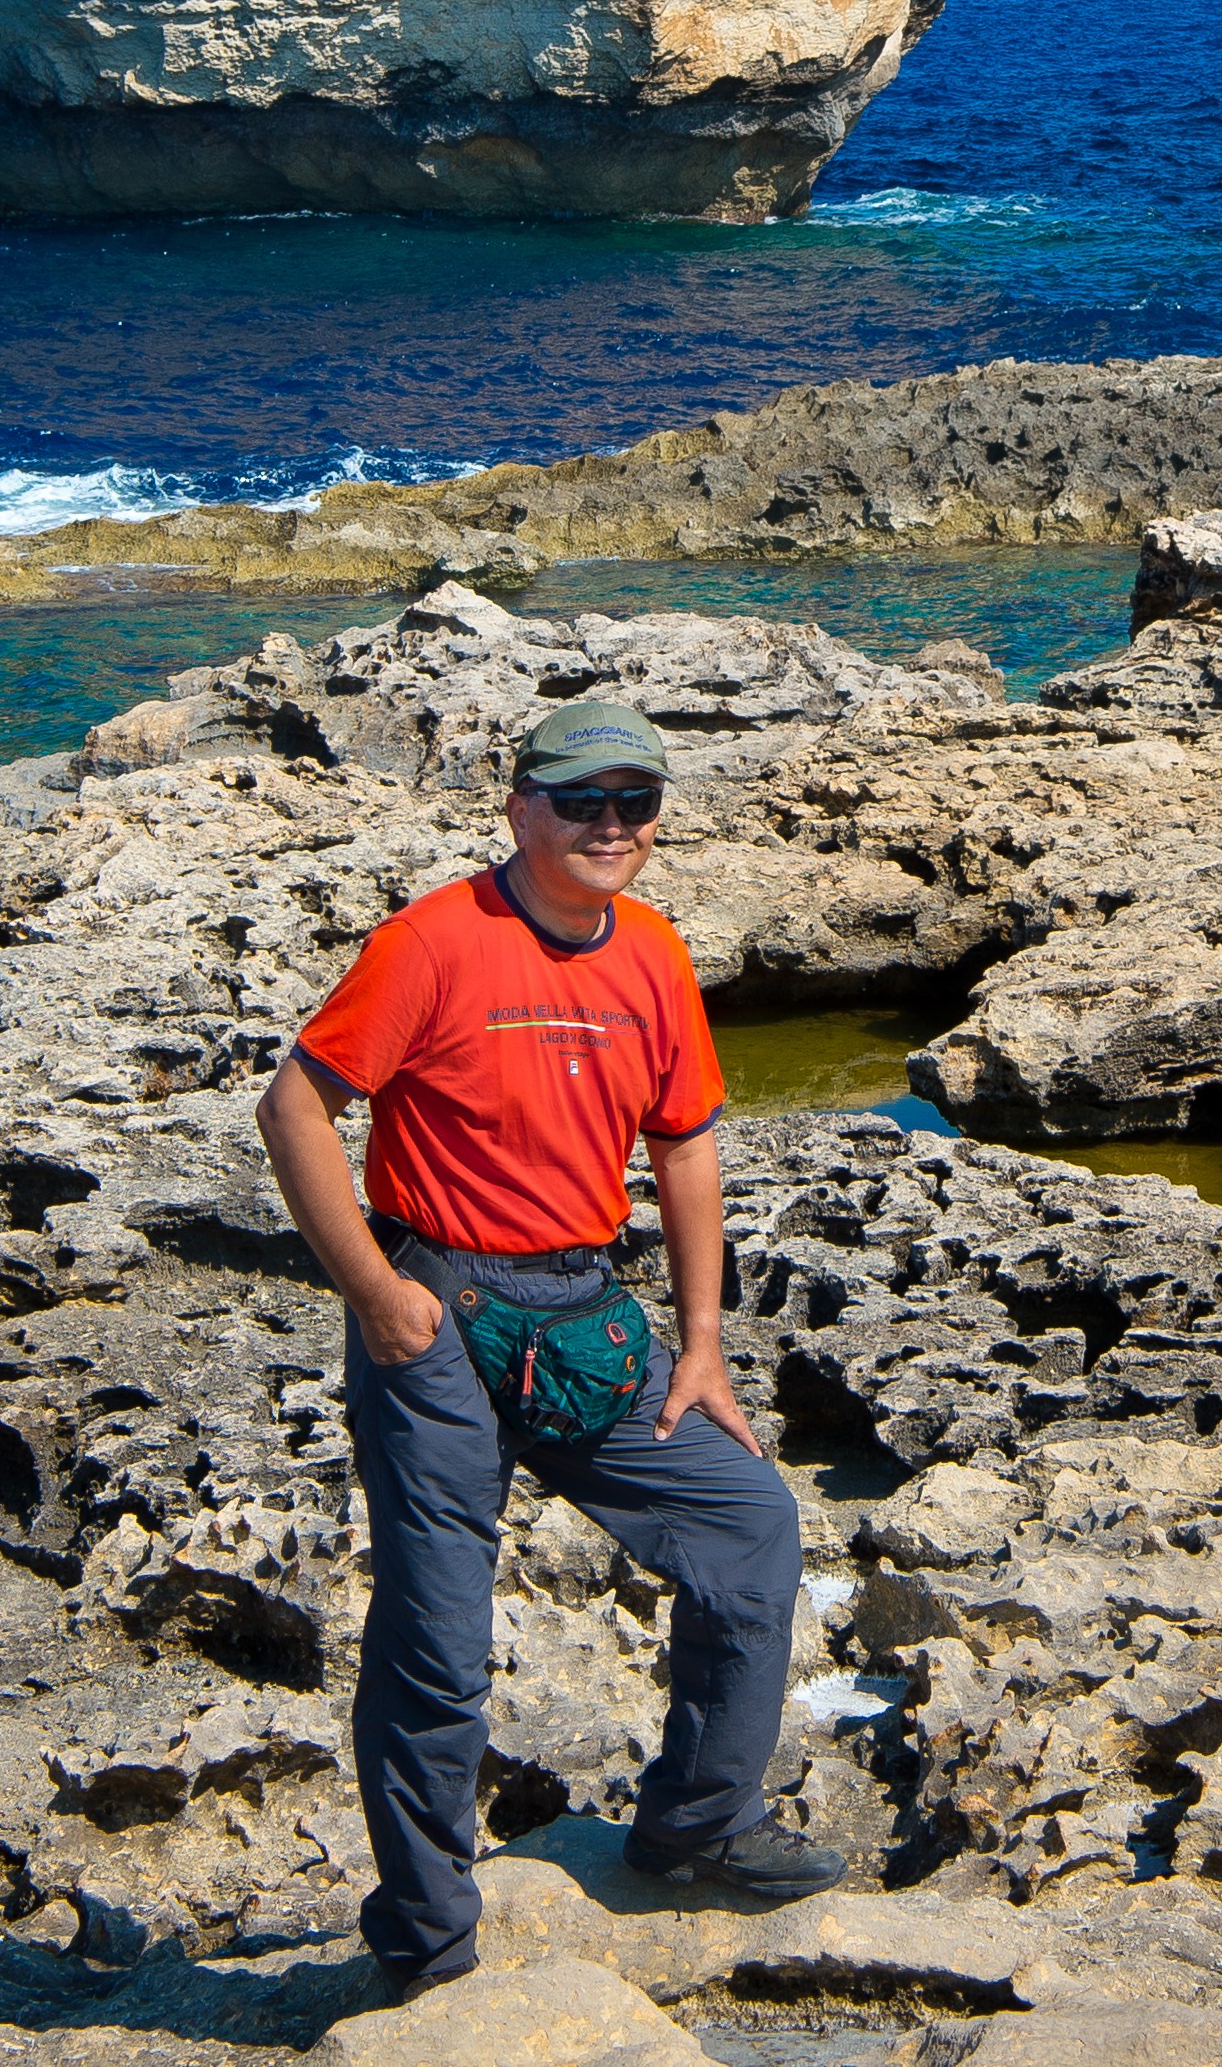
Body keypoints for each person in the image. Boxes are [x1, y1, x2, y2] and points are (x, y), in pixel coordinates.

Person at [255, 696, 841, 1999]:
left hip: (582, 1308)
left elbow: (684, 1140)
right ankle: (427, 1939)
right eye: (583, 800)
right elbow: (294, 1103)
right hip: (436, 1314)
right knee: (438, 1640)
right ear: (521, 806)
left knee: (748, 1521)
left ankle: (700, 1823)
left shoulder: (649, 954)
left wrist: (703, 1342)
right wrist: (371, 1287)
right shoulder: (430, 944)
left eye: (635, 802)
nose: (611, 825)